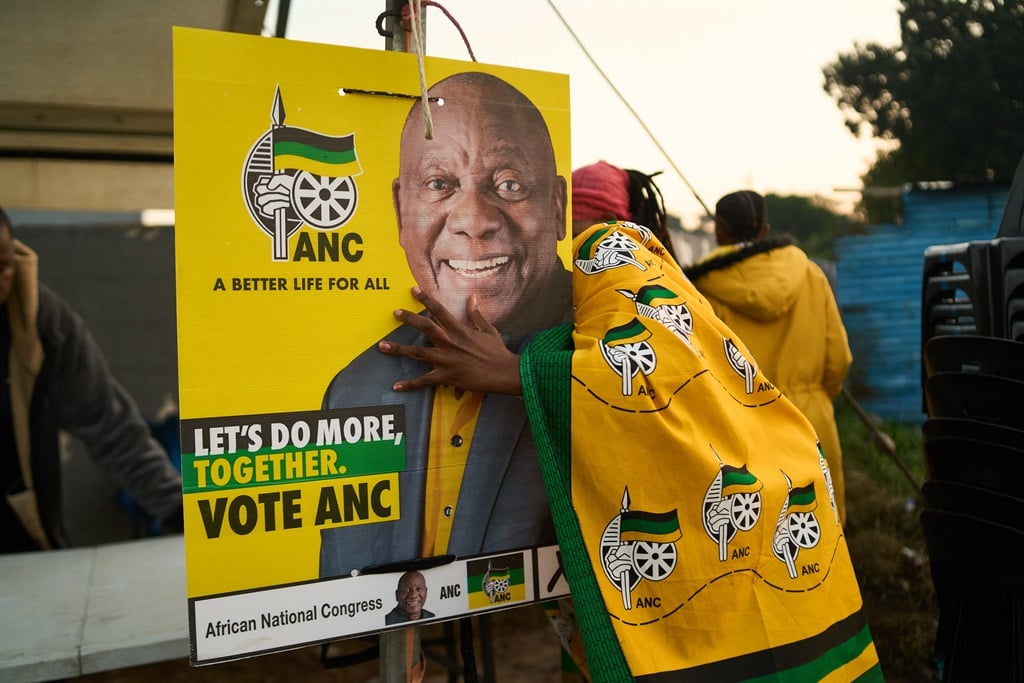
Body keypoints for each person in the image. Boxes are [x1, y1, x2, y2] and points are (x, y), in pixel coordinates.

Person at [376, 218, 880, 680]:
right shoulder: (713, 330)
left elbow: (627, 384)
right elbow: (838, 360)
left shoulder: (620, 321)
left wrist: (517, 372)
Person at [319, 71, 571, 578]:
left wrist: (523, 377)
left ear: (557, 206)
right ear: (399, 210)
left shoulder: (615, 338)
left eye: (510, 184)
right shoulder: (357, 389)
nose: (474, 219)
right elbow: (349, 589)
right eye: (440, 184)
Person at [0, 206, 184, 553]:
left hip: (22, 539)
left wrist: (178, 510)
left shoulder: (43, 323)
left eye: (3, 267)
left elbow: (110, 425)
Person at [683, 190, 853, 523]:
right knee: (821, 534)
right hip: (812, 425)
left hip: (741, 435)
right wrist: (812, 398)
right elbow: (839, 359)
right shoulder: (810, 274)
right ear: (764, 230)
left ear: (719, 230)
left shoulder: (697, 287)